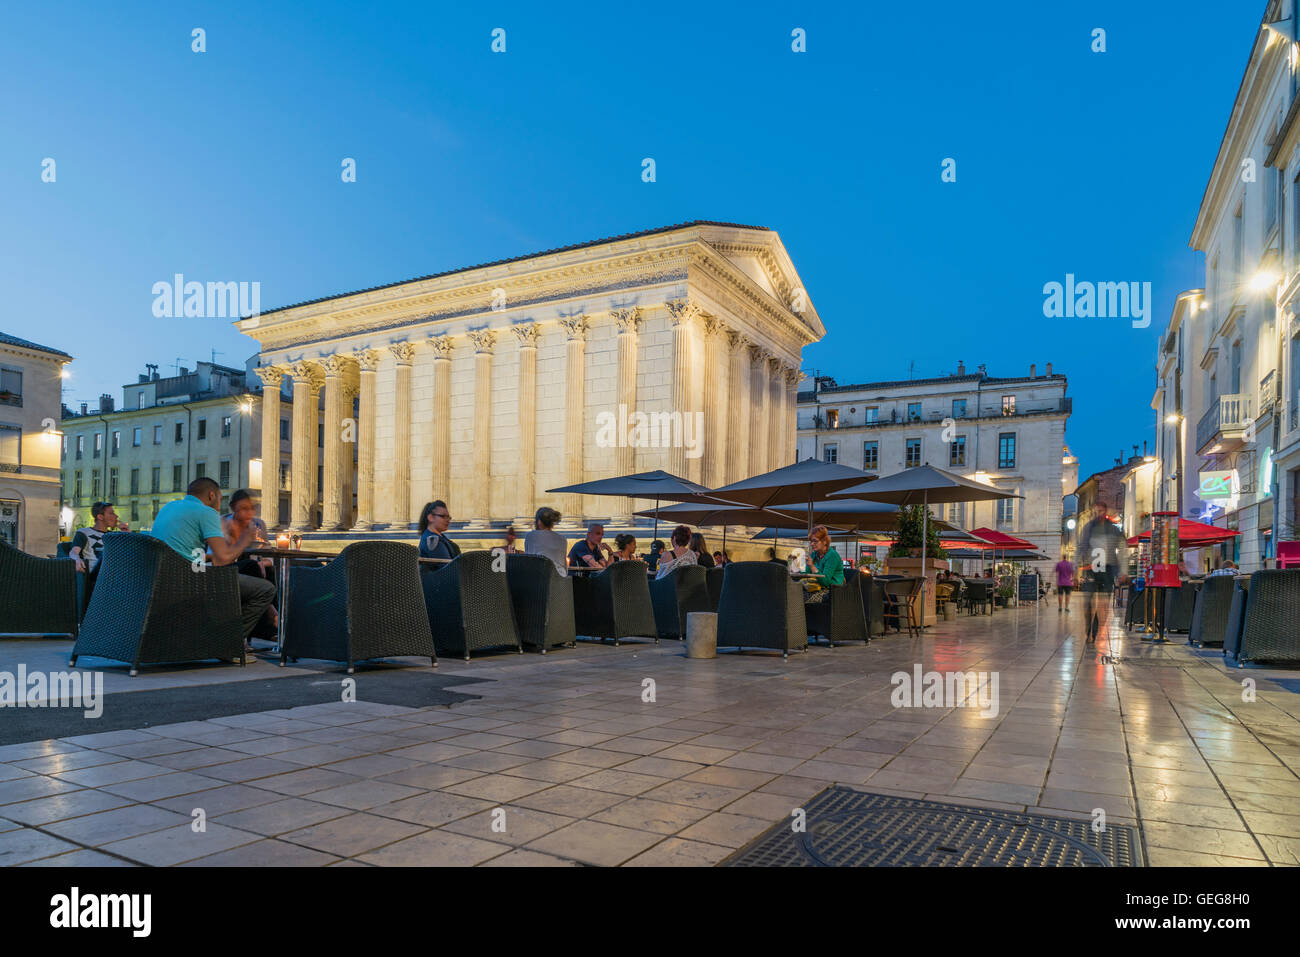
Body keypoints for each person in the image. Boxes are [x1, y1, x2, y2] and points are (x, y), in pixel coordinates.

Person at [148, 477, 276, 662]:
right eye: (220, 499)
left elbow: (186, 550)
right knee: (265, 589)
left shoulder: (169, 507)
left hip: (162, 578)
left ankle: (232, 638)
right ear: (211, 495)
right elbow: (223, 558)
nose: (219, 504)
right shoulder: (206, 512)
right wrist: (244, 539)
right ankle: (228, 644)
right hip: (189, 579)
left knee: (243, 571)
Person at [223, 489, 278, 635]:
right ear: (232, 507)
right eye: (243, 509)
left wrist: (263, 563)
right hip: (229, 568)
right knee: (251, 566)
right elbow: (223, 556)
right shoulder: (223, 523)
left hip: (256, 568)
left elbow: (269, 556)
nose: (247, 513)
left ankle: (269, 626)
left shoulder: (258, 524)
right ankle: (272, 616)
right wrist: (240, 537)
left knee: (269, 570)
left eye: (250, 509)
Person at [1077, 501, 1126, 644]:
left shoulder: (1115, 530)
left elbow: (1123, 550)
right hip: (1090, 568)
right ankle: (1088, 628)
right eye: (1096, 511)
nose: (1098, 514)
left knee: (1103, 603)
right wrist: (1075, 568)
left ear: (1105, 512)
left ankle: (1095, 629)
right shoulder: (1088, 528)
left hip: (1109, 568)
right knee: (1087, 603)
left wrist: (1123, 571)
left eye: (1101, 511)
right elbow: (1080, 548)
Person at [70, 502, 128, 609]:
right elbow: (73, 552)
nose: (116, 517)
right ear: (100, 517)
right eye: (111, 513)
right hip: (94, 575)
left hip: (112, 574)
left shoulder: (114, 536)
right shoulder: (84, 532)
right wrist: (76, 559)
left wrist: (127, 534)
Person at [802, 525, 845, 603]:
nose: (812, 544)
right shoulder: (815, 554)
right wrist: (799, 566)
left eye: (815, 541)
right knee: (795, 592)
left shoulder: (832, 555)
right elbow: (806, 573)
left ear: (824, 541)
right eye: (811, 541)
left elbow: (825, 581)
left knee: (801, 598)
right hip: (818, 587)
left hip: (833, 590)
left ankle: (802, 614)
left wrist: (812, 566)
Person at [524, 506, 567, 576]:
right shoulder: (562, 539)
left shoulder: (531, 536)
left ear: (539, 522)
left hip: (538, 577)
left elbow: (528, 560)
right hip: (559, 578)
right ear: (552, 523)